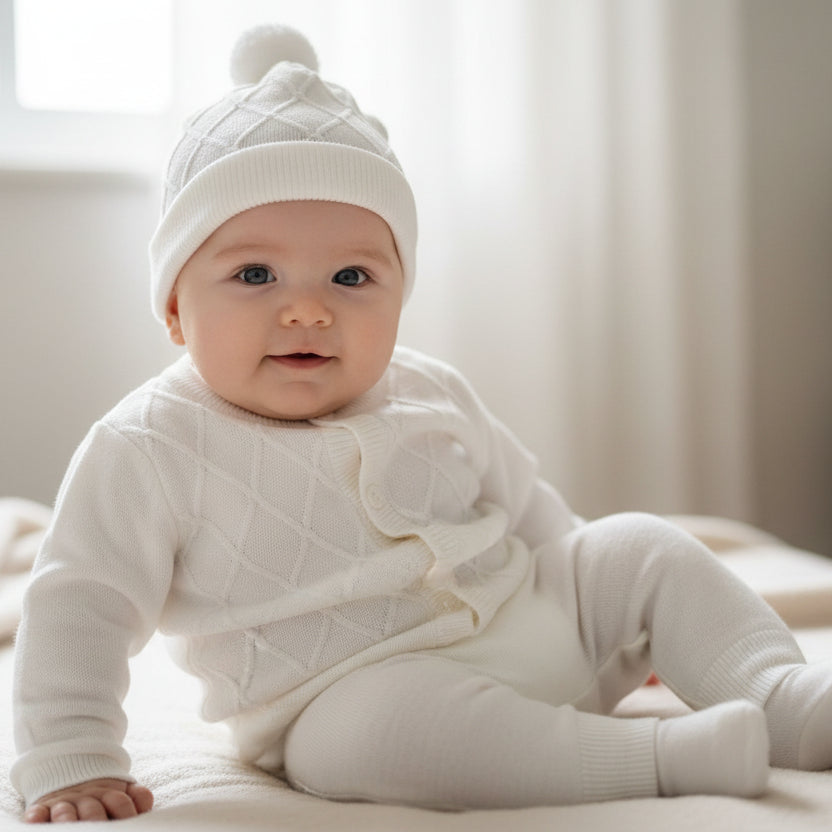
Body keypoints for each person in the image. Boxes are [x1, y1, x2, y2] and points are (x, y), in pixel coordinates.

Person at [11, 23, 832, 824]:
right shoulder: (149, 446)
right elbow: (80, 603)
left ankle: (778, 698)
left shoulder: (430, 389)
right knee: (365, 742)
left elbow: (537, 513)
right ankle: (664, 760)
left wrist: (622, 626)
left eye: (352, 275)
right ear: (175, 311)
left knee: (637, 545)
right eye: (255, 274)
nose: (307, 307)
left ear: (400, 296)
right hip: (355, 695)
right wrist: (72, 754)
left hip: (534, 631)